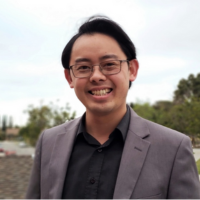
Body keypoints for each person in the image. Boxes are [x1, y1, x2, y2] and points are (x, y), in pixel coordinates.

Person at [26, 15, 200, 199]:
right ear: (70, 78)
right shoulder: (49, 143)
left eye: (109, 65)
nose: (96, 76)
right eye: (83, 67)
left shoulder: (173, 148)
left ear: (132, 70)